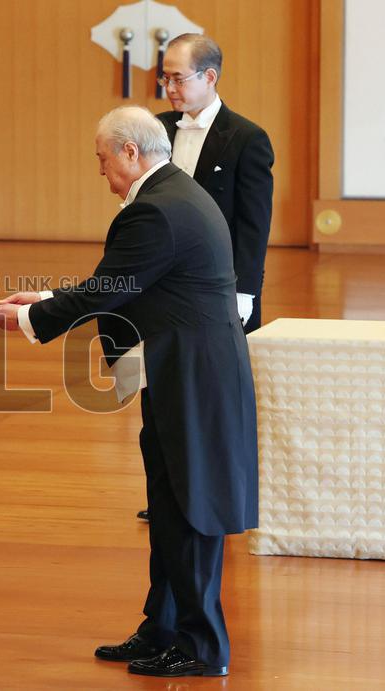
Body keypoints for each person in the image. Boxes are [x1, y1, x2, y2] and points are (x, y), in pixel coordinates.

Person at [0, 106, 258, 677]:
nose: (102, 173)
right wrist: (43, 301)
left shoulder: (158, 209)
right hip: (179, 370)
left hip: (192, 376)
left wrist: (31, 322)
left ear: (131, 153)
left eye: (103, 161)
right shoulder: (170, 195)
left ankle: (202, 647)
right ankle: (163, 627)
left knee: (190, 510)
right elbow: (120, 283)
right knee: (168, 505)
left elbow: (106, 291)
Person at [135, 32, 273, 523]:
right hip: (161, 290)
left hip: (217, 294)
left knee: (212, 406)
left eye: (178, 77)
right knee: (157, 397)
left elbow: (253, 226)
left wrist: (243, 294)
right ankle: (163, 496)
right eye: (164, 77)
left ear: (209, 77)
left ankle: (214, 498)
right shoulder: (157, 129)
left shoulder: (247, 138)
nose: (168, 87)